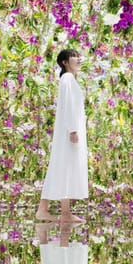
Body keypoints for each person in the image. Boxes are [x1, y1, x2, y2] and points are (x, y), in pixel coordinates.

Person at [36, 49, 88, 224]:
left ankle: (65, 212)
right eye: (74, 56)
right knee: (62, 166)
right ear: (65, 62)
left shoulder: (70, 80)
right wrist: (73, 129)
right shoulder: (67, 79)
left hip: (70, 130)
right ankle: (43, 209)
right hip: (69, 131)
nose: (78, 59)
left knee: (66, 168)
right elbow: (68, 106)